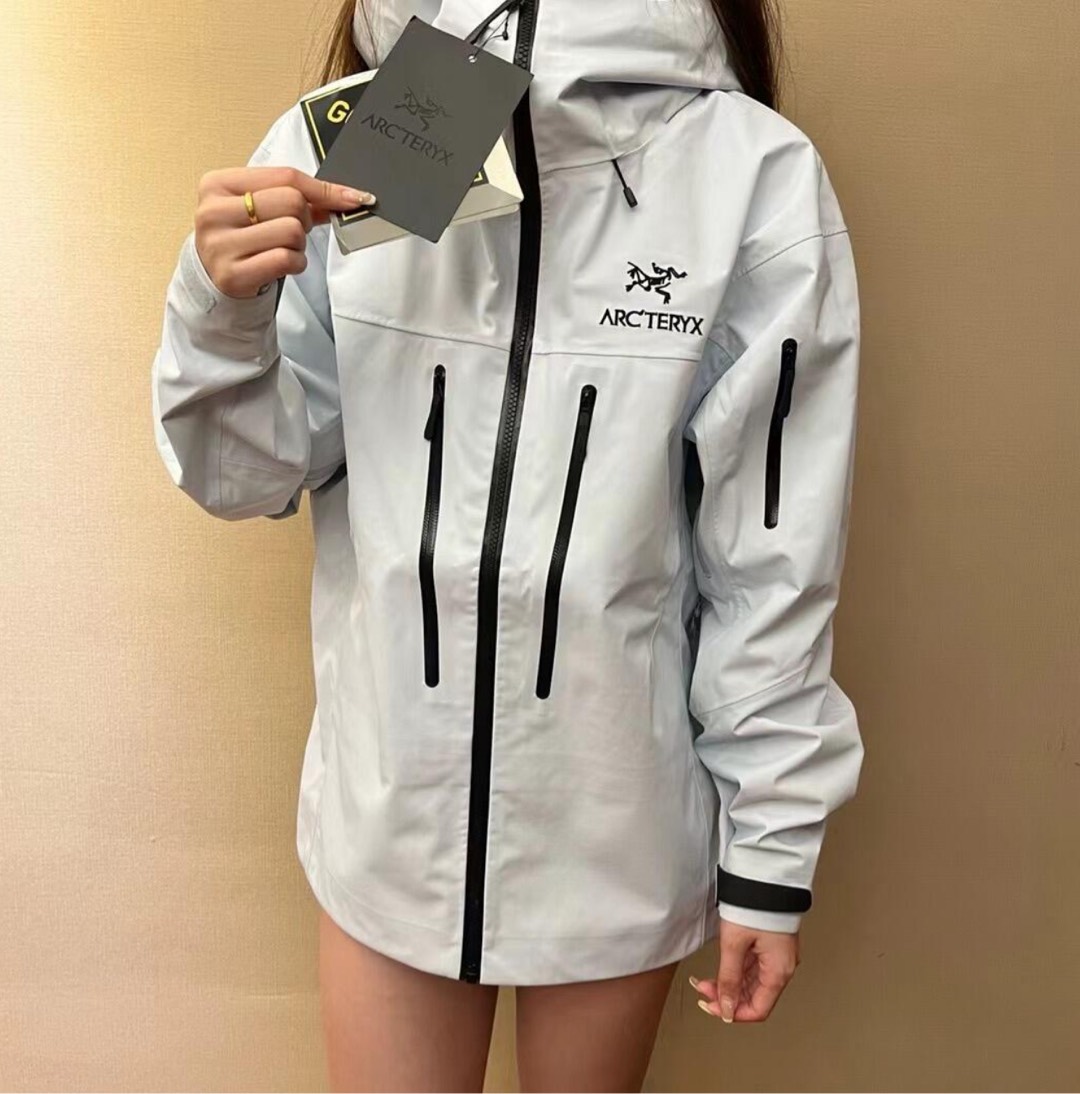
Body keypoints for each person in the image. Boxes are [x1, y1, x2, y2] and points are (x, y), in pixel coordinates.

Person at [150, 0, 865, 1088]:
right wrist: (219, 314)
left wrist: (772, 845)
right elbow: (247, 477)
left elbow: (774, 553)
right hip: (389, 817)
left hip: (616, 829)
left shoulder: (750, 175)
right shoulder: (353, 136)